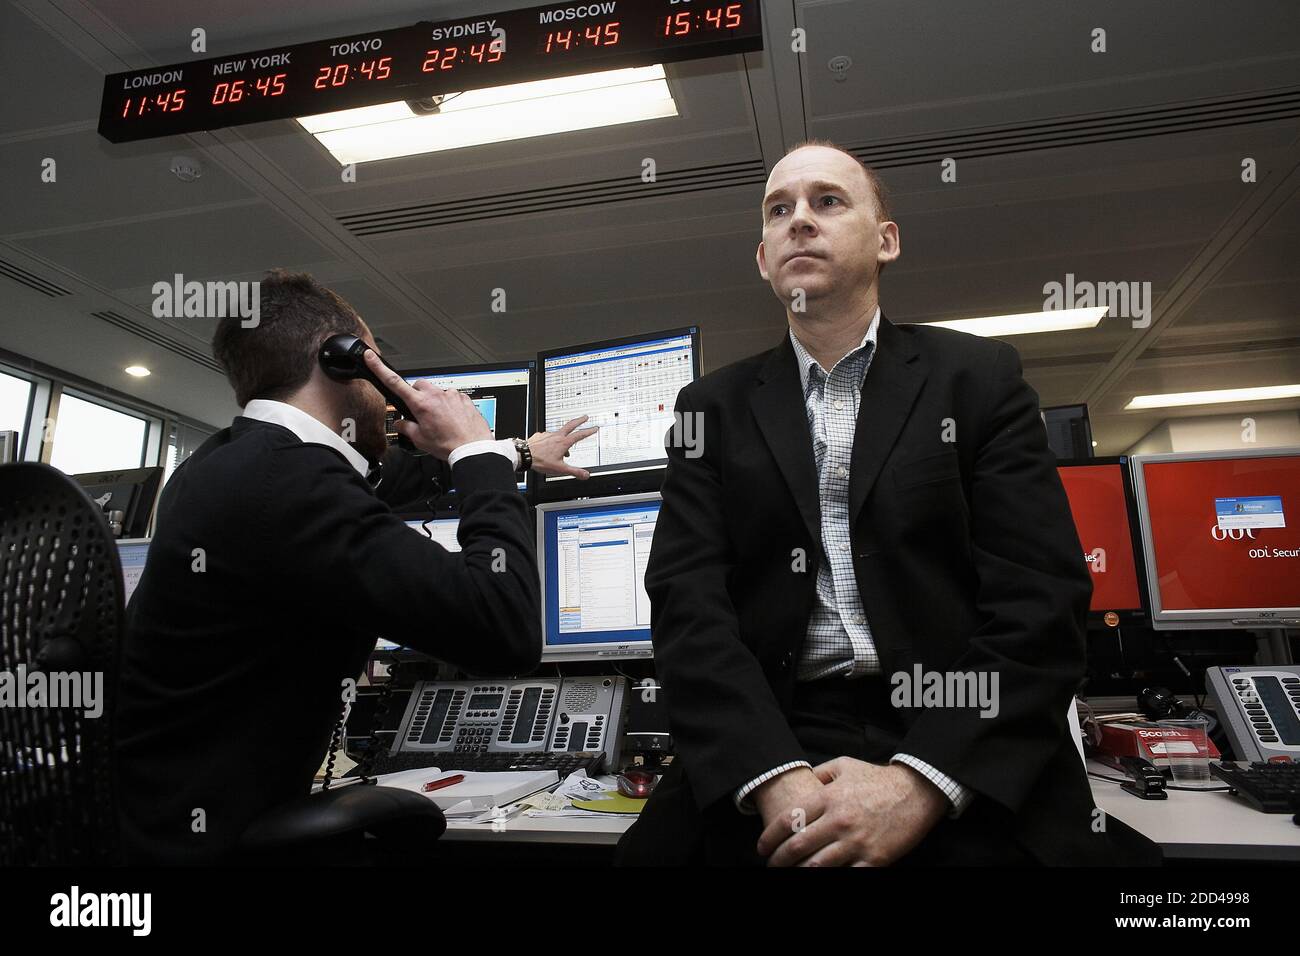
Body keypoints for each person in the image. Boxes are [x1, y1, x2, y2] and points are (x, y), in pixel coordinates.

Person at [616, 142, 1159, 866]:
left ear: (887, 240)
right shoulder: (708, 408)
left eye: (827, 201)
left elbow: (1041, 600)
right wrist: (770, 776)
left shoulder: (977, 380)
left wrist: (922, 783)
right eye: (779, 210)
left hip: (953, 721)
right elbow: (687, 607)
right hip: (773, 728)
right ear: (762, 257)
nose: (798, 221)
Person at [114, 269, 596, 864]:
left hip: (153, 829)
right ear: (346, 362)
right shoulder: (291, 486)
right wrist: (478, 455)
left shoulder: (228, 462)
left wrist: (515, 452)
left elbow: (380, 476)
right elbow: (504, 628)